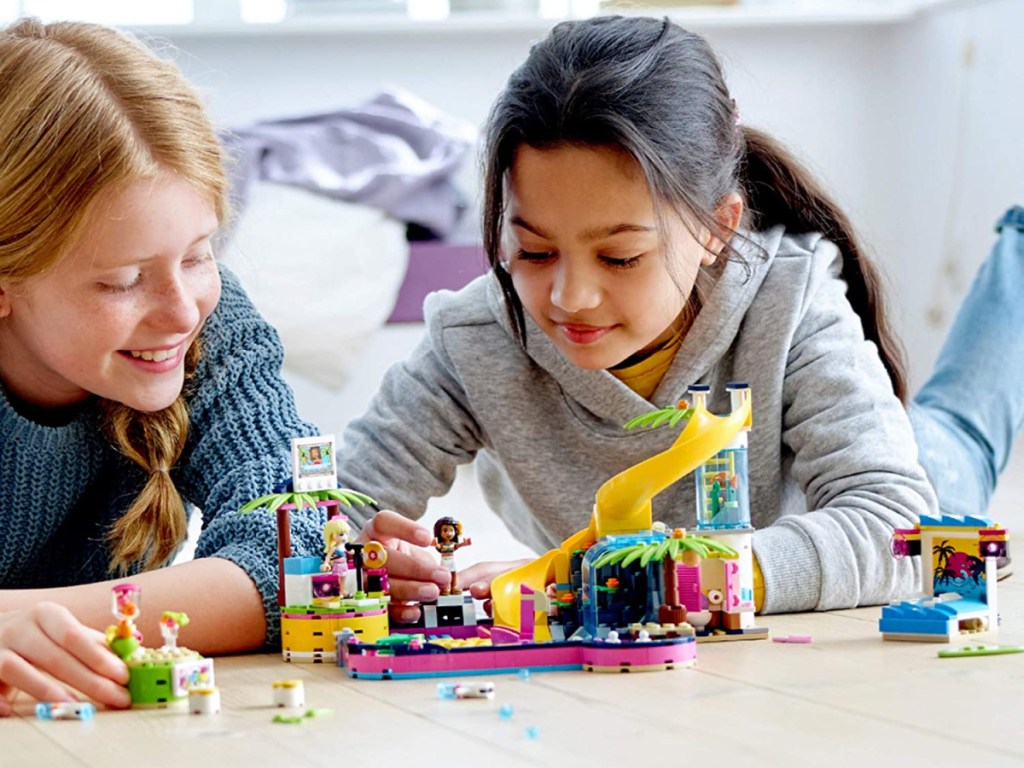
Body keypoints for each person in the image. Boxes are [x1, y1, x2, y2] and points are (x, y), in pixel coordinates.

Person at [338, 16, 1017, 622]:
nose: (571, 297)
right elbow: (332, 511)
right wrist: (361, 567)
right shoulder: (476, 337)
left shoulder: (791, 302)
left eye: (621, 256)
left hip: (905, 473)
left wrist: (668, 580)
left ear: (719, 227)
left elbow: (896, 528)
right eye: (535, 250)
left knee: (958, 429)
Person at [0, 19, 326, 716]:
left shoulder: (211, 325)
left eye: (198, 255)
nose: (181, 312)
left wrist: (20, 620)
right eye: (122, 281)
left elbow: (300, 551)